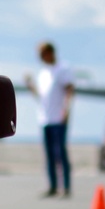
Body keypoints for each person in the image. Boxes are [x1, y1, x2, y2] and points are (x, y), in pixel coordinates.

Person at [25, 41, 75, 197]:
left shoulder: (63, 68)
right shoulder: (43, 73)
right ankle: (53, 186)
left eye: (42, 55)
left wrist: (66, 110)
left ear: (50, 53)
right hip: (45, 118)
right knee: (49, 155)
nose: (40, 58)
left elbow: (69, 90)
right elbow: (41, 97)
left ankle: (66, 187)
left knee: (60, 152)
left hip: (58, 118)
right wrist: (30, 86)